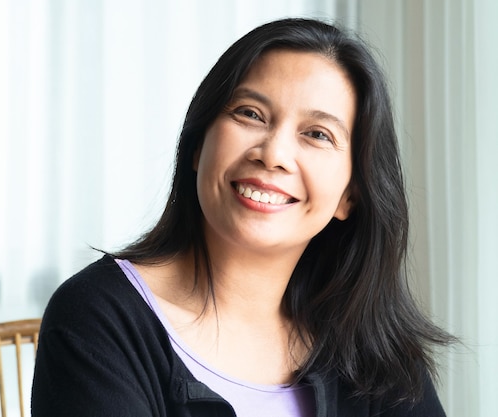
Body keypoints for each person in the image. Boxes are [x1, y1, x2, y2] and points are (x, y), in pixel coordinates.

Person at [31, 18, 453, 417]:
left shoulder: (372, 349)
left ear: (351, 195)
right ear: (198, 147)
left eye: (317, 134)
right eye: (250, 113)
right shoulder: (96, 319)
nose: (272, 154)